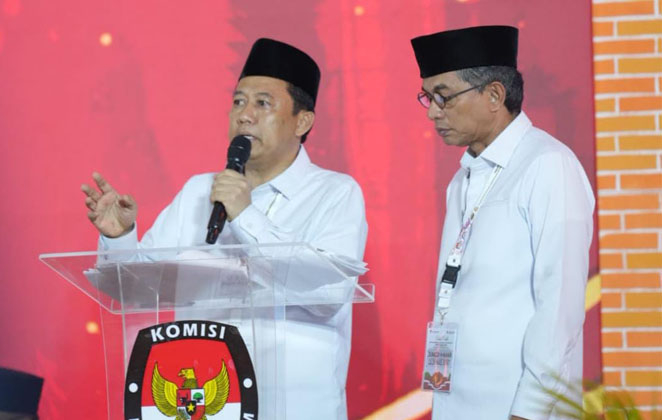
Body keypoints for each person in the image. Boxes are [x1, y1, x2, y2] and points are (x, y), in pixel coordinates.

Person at [81, 38, 367, 420]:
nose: (244, 115)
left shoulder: (335, 193)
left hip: (296, 409)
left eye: (262, 103)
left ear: (302, 121)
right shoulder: (198, 191)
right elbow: (136, 291)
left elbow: (327, 293)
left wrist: (245, 216)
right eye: (238, 102)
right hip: (209, 407)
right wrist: (118, 237)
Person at [410, 26, 594, 419]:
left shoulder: (547, 165)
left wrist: (528, 410)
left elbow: (559, 307)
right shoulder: (462, 179)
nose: (432, 112)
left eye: (443, 96)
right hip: (457, 401)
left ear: (494, 95)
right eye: (427, 97)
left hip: (518, 406)